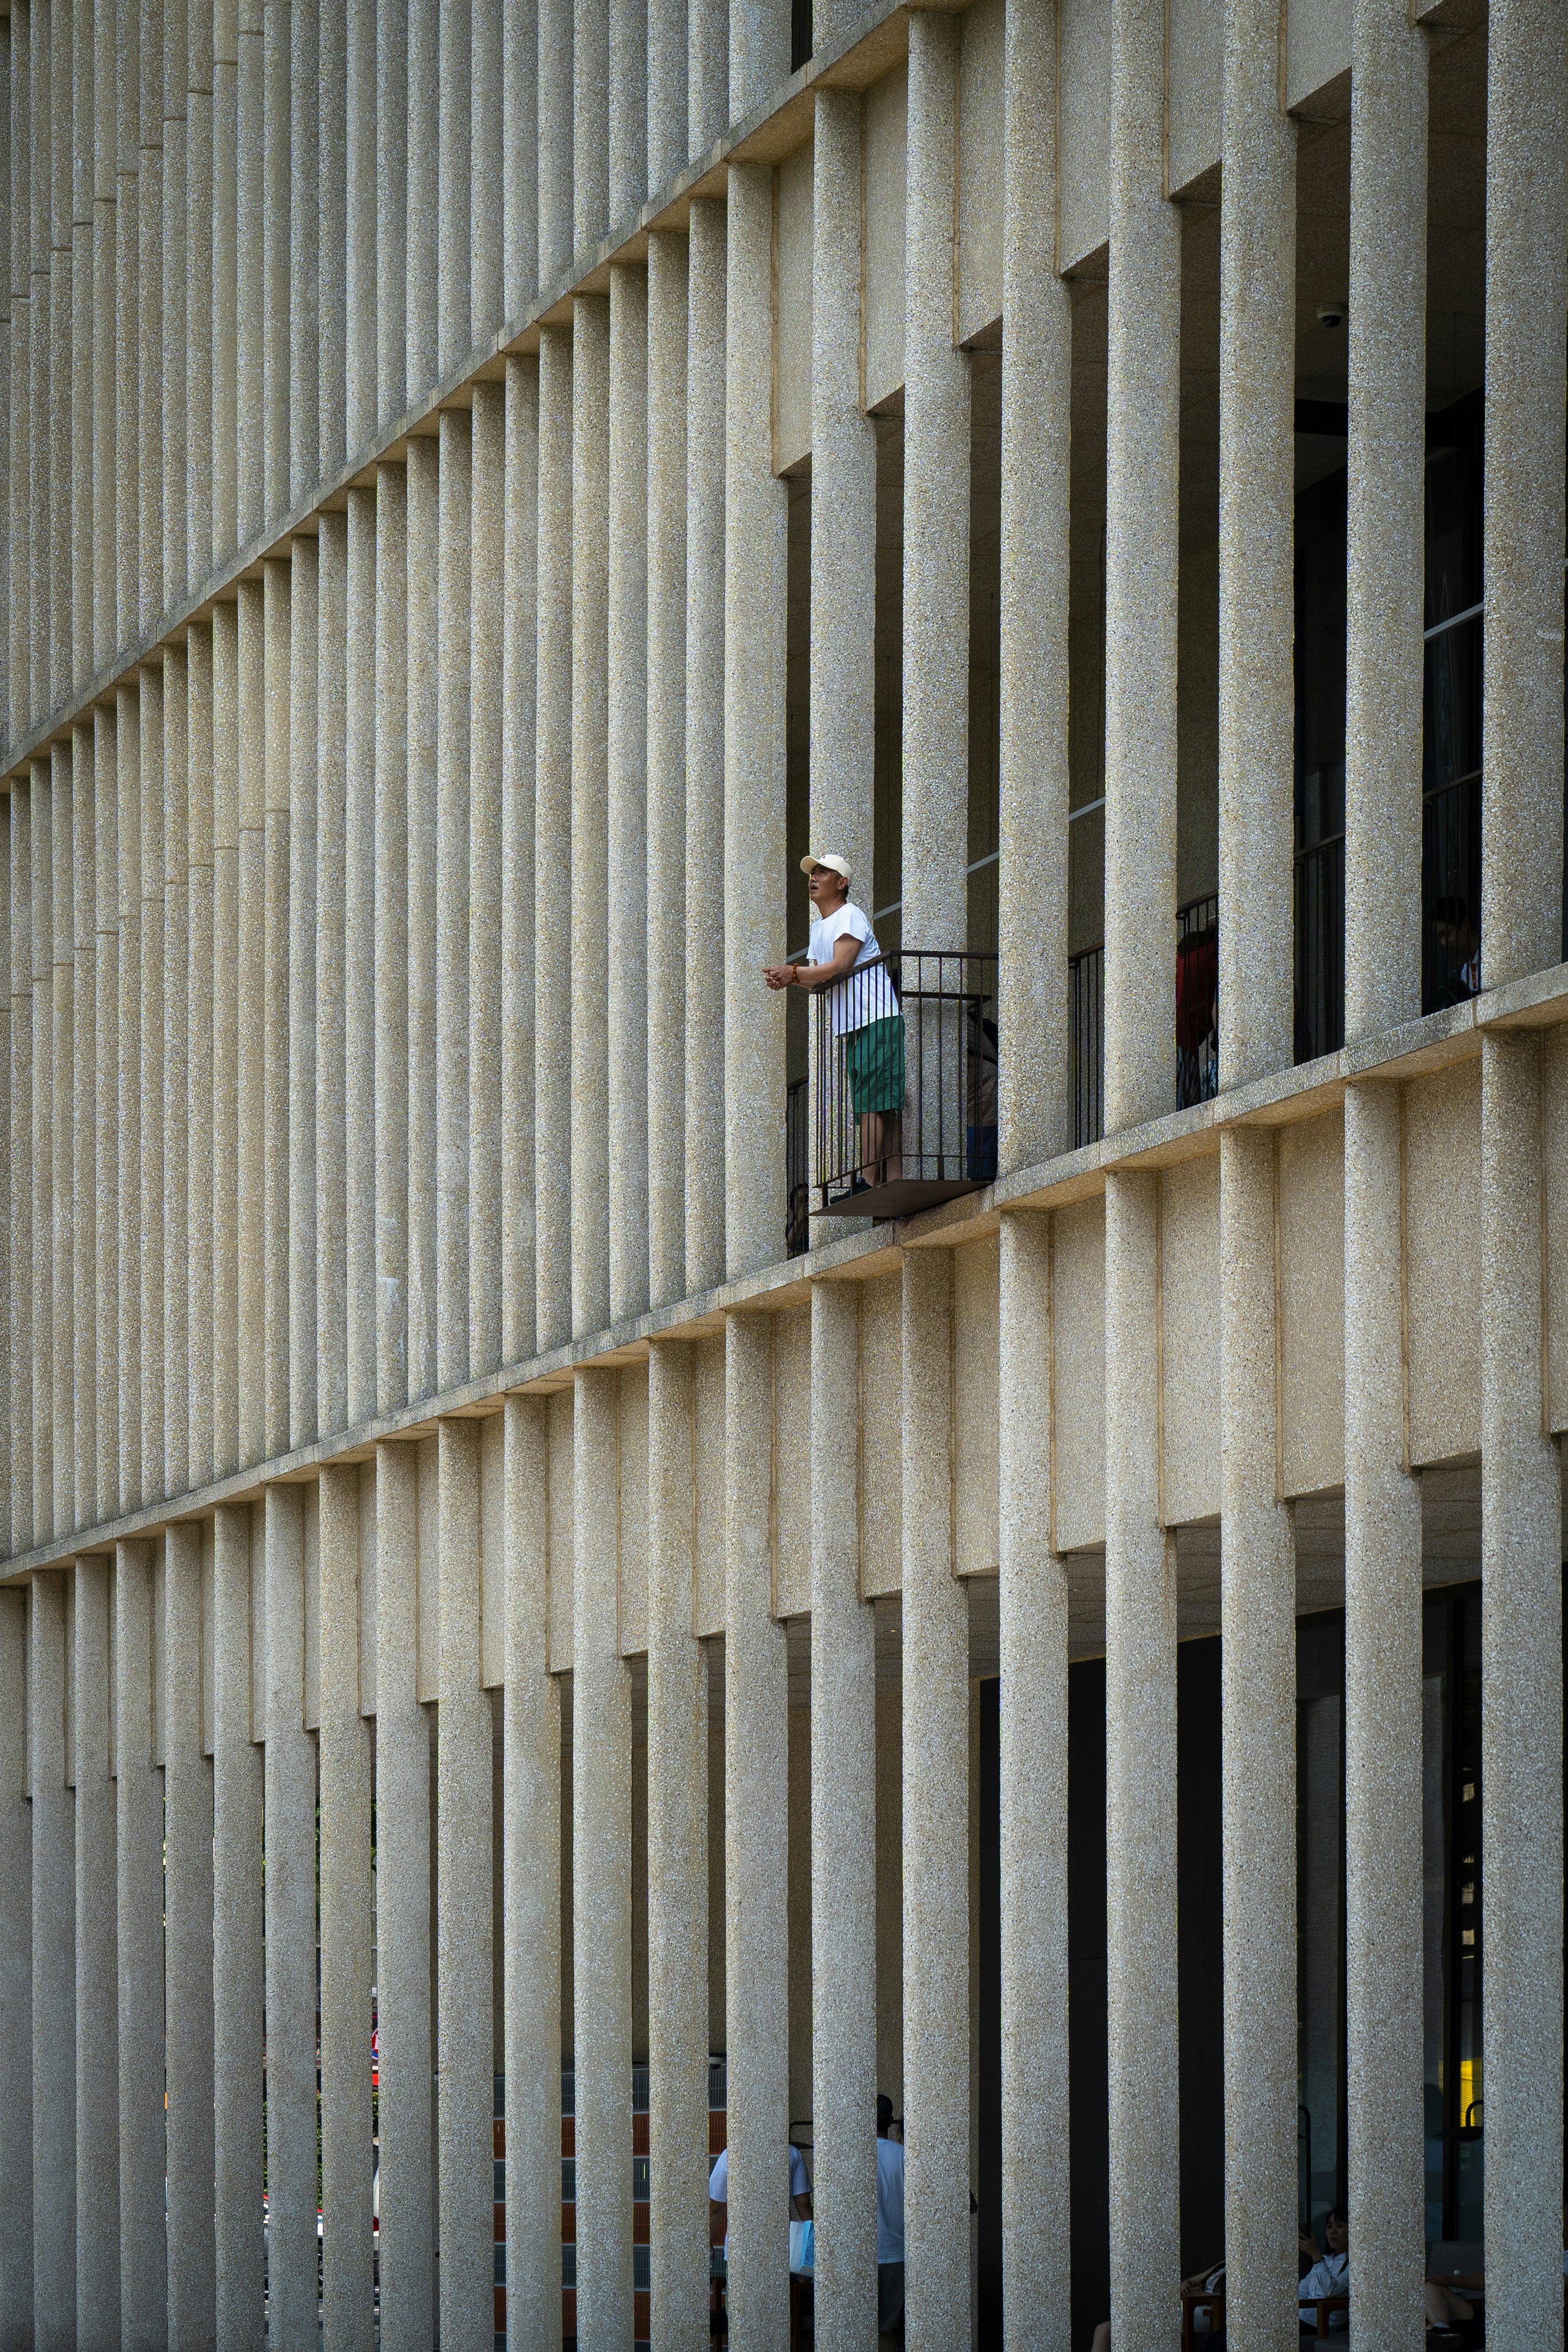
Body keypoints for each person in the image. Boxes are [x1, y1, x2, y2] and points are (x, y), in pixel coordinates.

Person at [764, 855, 903, 1187]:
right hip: (856, 1024)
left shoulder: (850, 915)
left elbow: (840, 966)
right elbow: (819, 979)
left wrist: (793, 973)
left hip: (875, 1017)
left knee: (874, 1102)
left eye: (822, 872)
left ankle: (868, 1181)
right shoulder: (819, 927)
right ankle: (894, 1179)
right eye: (813, 873)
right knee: (879, 1103)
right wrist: (792, 978)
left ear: (841, 883)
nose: (814, 877)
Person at [876, 2094, 905, 2343]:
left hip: (864, 2255)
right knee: (886, 2330)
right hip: (898, 2255)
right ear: (890, 2120)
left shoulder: (854, 2157)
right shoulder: (905, 2156)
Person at [1431, 895, 1481, 1002]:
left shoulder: (1491, 959)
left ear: (1465, 925)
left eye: (1447, 934)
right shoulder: (1466, 971)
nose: (1444, 943)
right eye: (1440, 938)